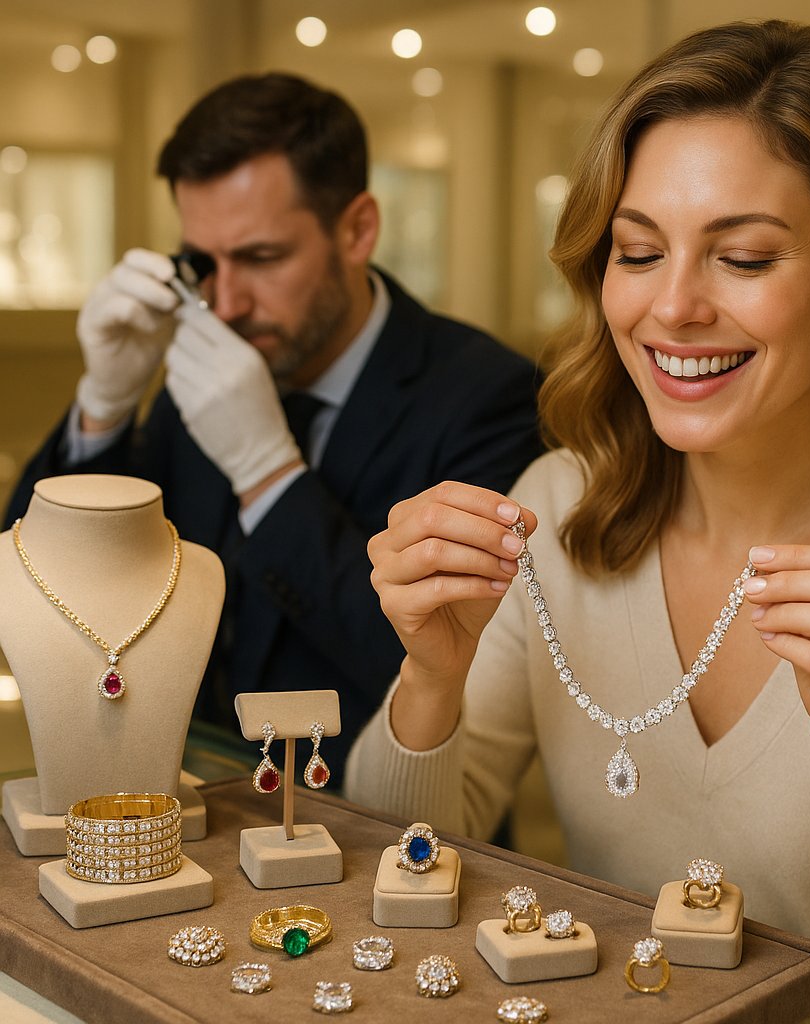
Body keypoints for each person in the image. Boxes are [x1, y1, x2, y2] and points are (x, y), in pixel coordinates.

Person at [344, 20, 810, 1012]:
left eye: (742, 258)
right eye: (637, 251)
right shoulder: (552, 511)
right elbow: (384, 881)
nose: (671, 308)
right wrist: (429, 680)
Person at [4, 72, 542, 778]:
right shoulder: (201, 377)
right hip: (193, 806)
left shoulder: (489, 395)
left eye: (261, 258)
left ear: (357, 230)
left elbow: (450, 661)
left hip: (382, 826)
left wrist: (269, 474)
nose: (224, 303)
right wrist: (104, 404)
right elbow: (35, 591)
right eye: (203, 263)